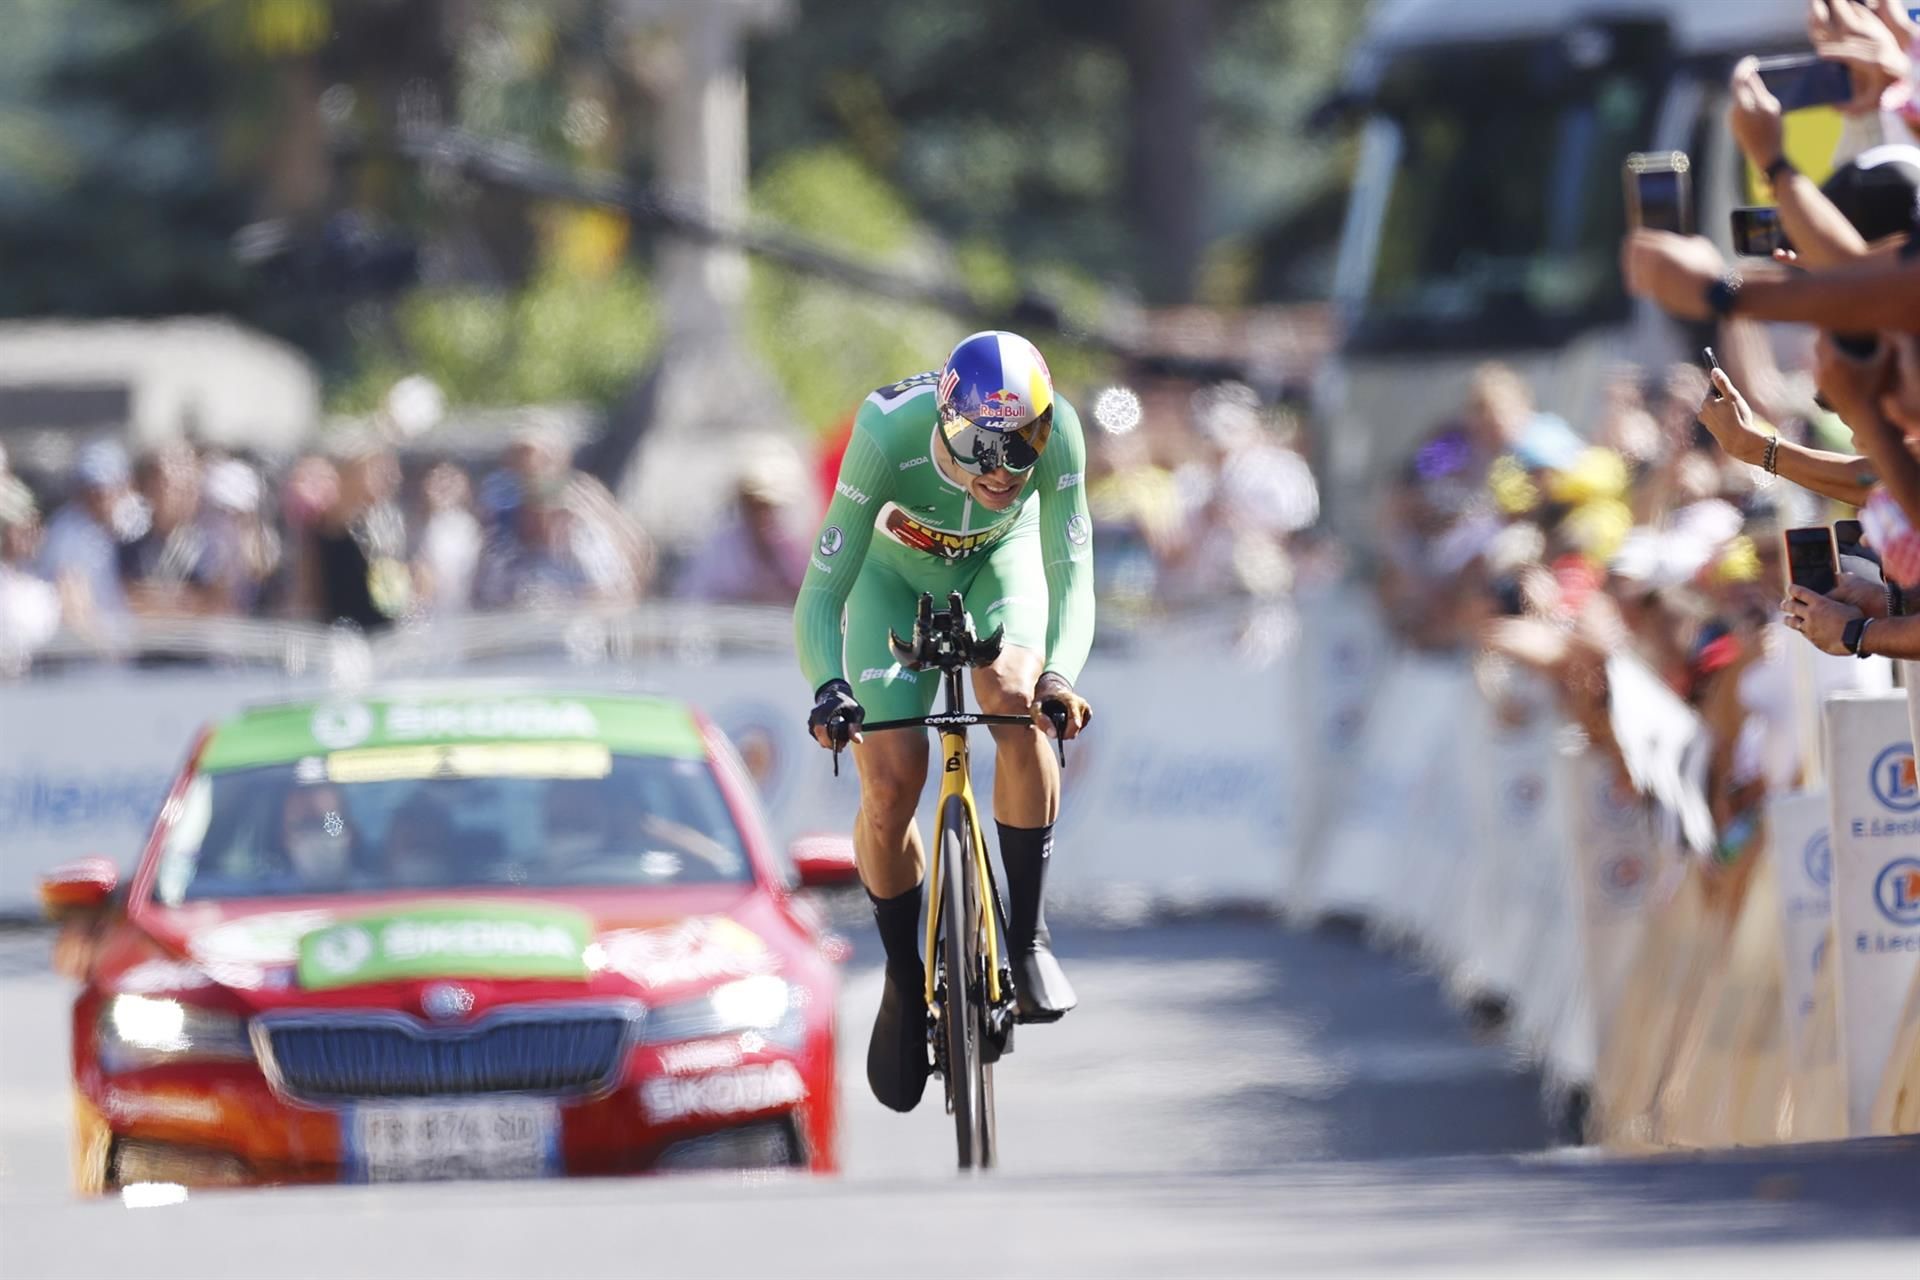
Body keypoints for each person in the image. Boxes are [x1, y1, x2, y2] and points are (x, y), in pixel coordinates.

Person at [794, 330, 1095, 1114]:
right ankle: (903, 975)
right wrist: (829, 687)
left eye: (1023, 448)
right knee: (891, 783)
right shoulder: (885, 432)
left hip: (1000, 565)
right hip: (890, 583)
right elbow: (822, 592)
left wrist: (1060, 675)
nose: (1004, 471)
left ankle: (1027, 938)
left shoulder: (1060, 430)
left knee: (1014, 697)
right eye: (984, 449)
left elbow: (1072, 574)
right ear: (946, 422)